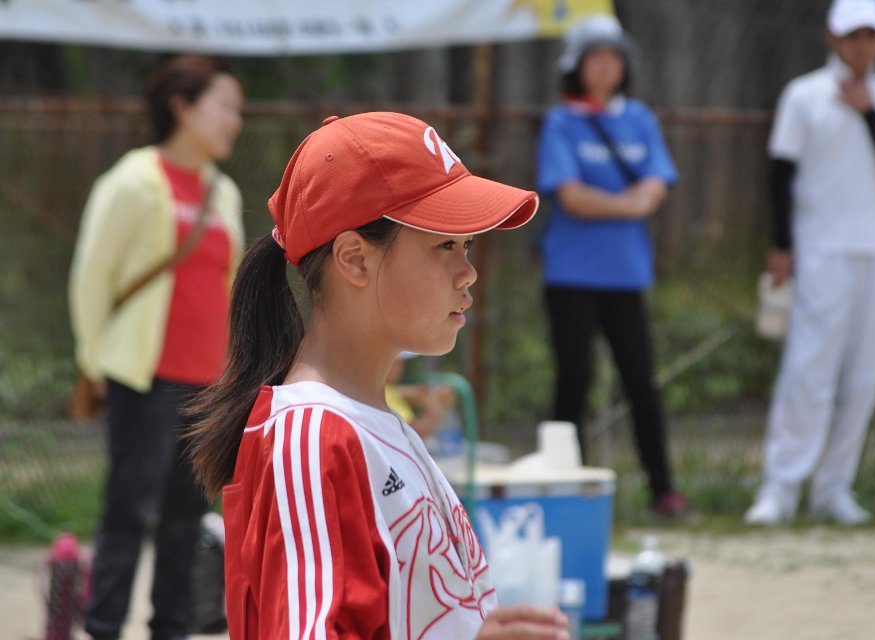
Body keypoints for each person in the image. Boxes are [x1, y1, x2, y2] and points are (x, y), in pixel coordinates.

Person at [186, 112, 570, 639]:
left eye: (467, 246)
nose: (469, 272)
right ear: (355, 260)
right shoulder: (311, 436)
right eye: (444, 245)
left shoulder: (372, 423)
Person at [68, 54, 245, 639]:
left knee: (185, 518)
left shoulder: (224, 192)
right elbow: (92, 277)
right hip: (143, 375)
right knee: (128, 509)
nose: (235, 120)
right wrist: (93, 361)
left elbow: (228, 284)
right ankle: (103, 627)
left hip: (207, 384)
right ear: (182, 107)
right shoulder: (132, 180)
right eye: (224, 106)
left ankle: (169, 629)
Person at [744, 0, 875, 526]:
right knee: (808, 370)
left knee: (863, 377)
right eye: (852, 35)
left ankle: (834, 488)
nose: (861, 46)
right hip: (820, 249)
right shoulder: (804, 95)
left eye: (871, 36)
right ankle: (780, 488)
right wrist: (782, 245)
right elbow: (780, 174)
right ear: (832, 38)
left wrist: (869, 111)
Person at [536, 14, 686, 517]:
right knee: (572, 381)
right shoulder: (562, 122)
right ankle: (566, 491)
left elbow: (658, 183)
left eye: (613, 57)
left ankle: (663, 490)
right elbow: (572, 198)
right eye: (594, 56)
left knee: (641, 382)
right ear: (575, 66)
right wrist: (628, 203)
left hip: (626, 274)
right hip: (571, 273)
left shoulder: (640, 118)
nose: (605, 66)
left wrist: (623, 200)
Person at [385, 352, 457, 439]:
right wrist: (436, 410)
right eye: (398, 362)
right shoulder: (384, 394)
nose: (402, 367)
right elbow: (411, 433)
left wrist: (422, 394)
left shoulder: (388, 390)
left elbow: (405, 393)